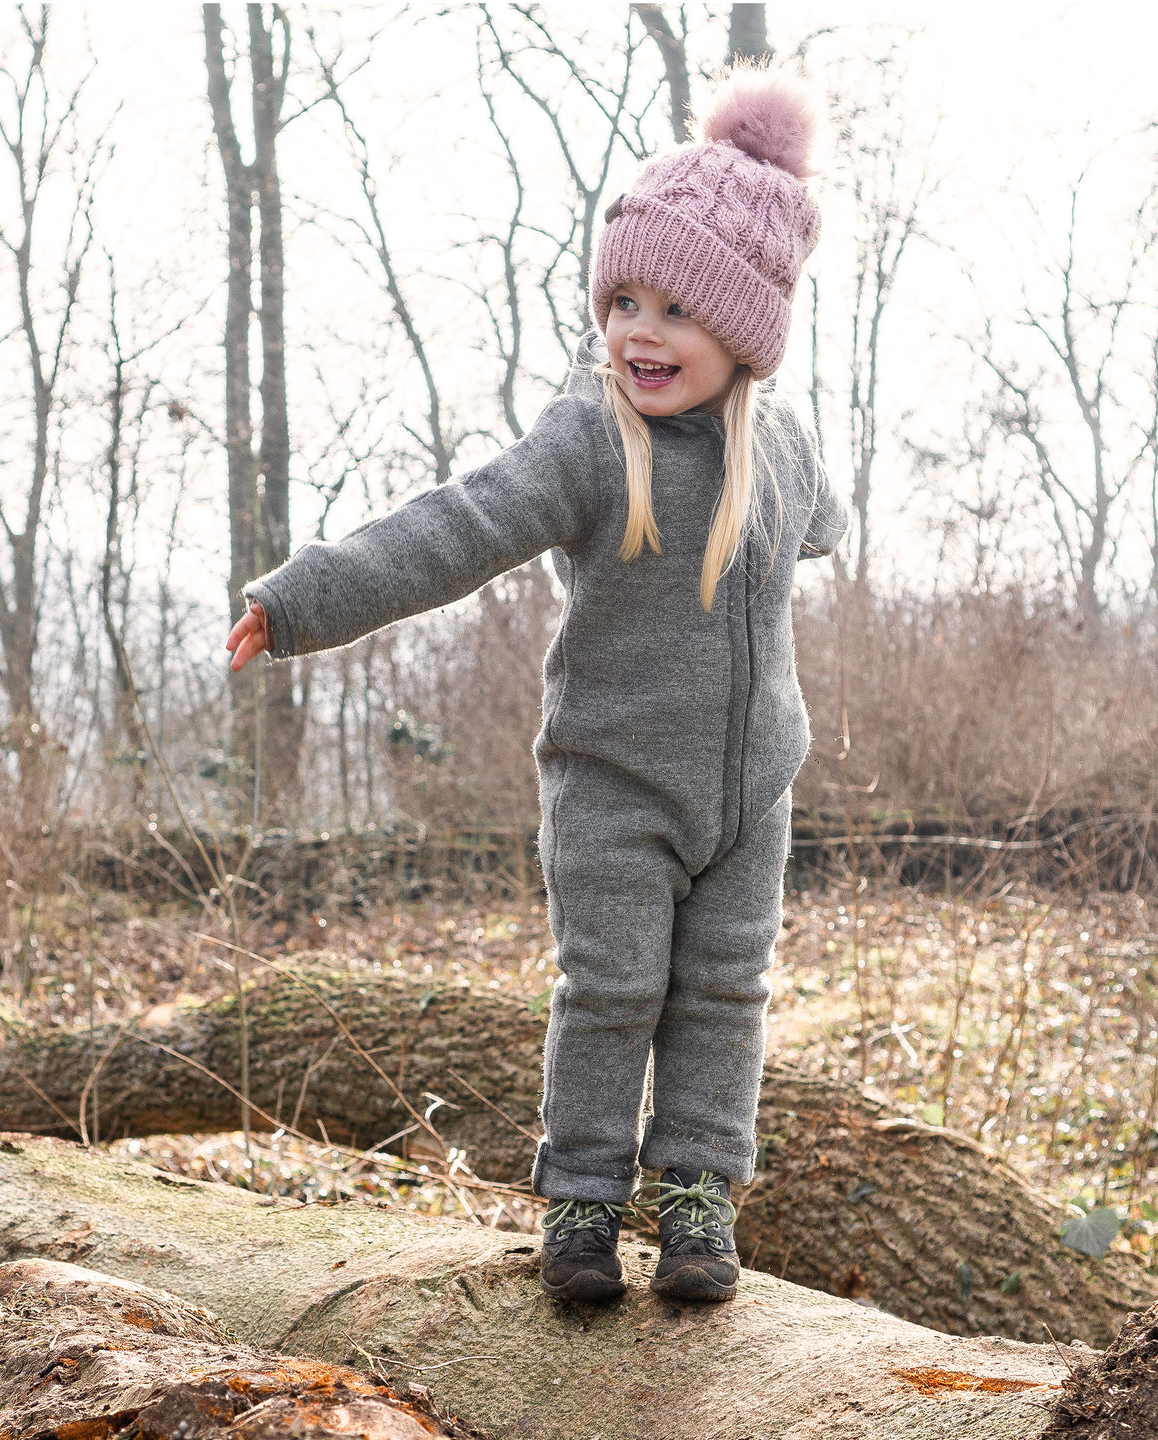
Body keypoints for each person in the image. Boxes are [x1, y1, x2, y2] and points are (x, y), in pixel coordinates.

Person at [227, 66, 846, 1306]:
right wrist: (300, 599)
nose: (638, 332)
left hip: (753, 796)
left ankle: (695, 1205)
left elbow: (827, 525)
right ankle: (579, 1207)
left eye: (676, 307)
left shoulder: (779, 453)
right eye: (621, 299)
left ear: (747, 328)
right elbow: (451, 531)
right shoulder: (584, 443)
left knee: (726, 993)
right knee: (613, 988)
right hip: (613, 786)